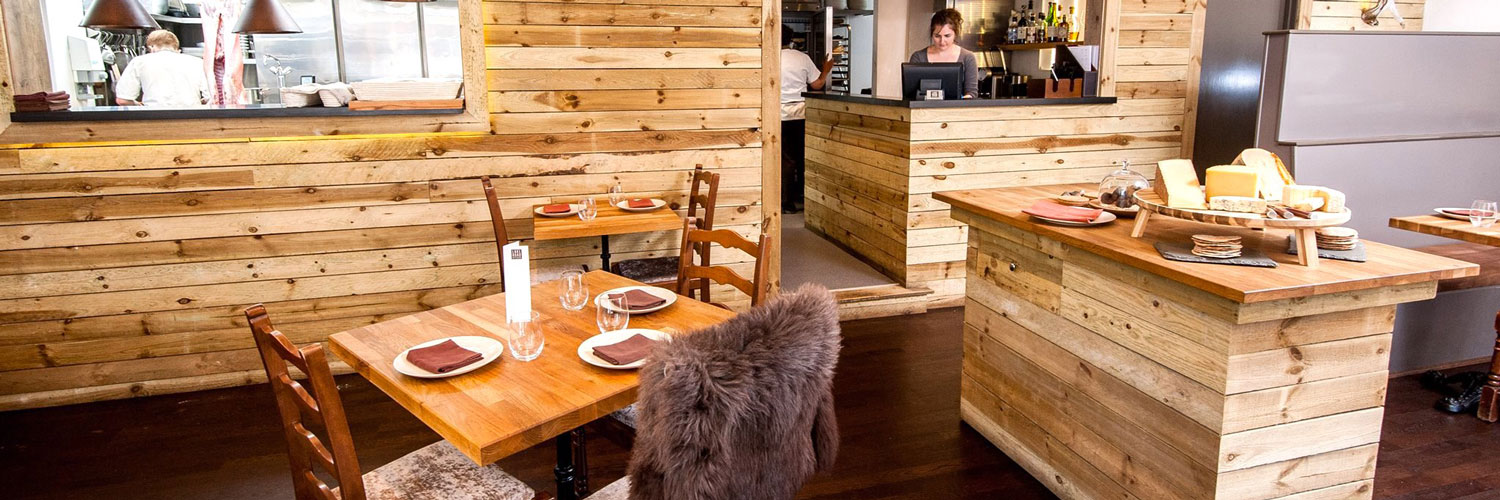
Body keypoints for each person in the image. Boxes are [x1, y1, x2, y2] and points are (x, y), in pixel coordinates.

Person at [780, 25, 834, 214]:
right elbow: (817, 85)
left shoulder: (769, 57)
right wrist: (826, 70)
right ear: (791, 39)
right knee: (802, 155)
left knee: (786, 160)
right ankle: (804, 197)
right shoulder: (802, 58)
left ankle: (786, 203)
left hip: (779, 115)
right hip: (801, 114)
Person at [116, 30, 208, 107]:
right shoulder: (196, 62)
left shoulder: (139, 62)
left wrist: (139, 106)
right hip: (192, 119)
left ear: (151, 47)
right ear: (176, 48)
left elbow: (123, 100)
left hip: (155, 119)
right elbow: (212, 97)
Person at [909, 8, 979, 99]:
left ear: (955, 34)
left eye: (947, 36)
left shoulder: (968, 58)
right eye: (937, 36)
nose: (942, 41)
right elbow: (911, 94)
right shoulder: (918, 57)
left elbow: (971, 93)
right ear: (932, 34)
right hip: (924, 111)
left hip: (956, 112)